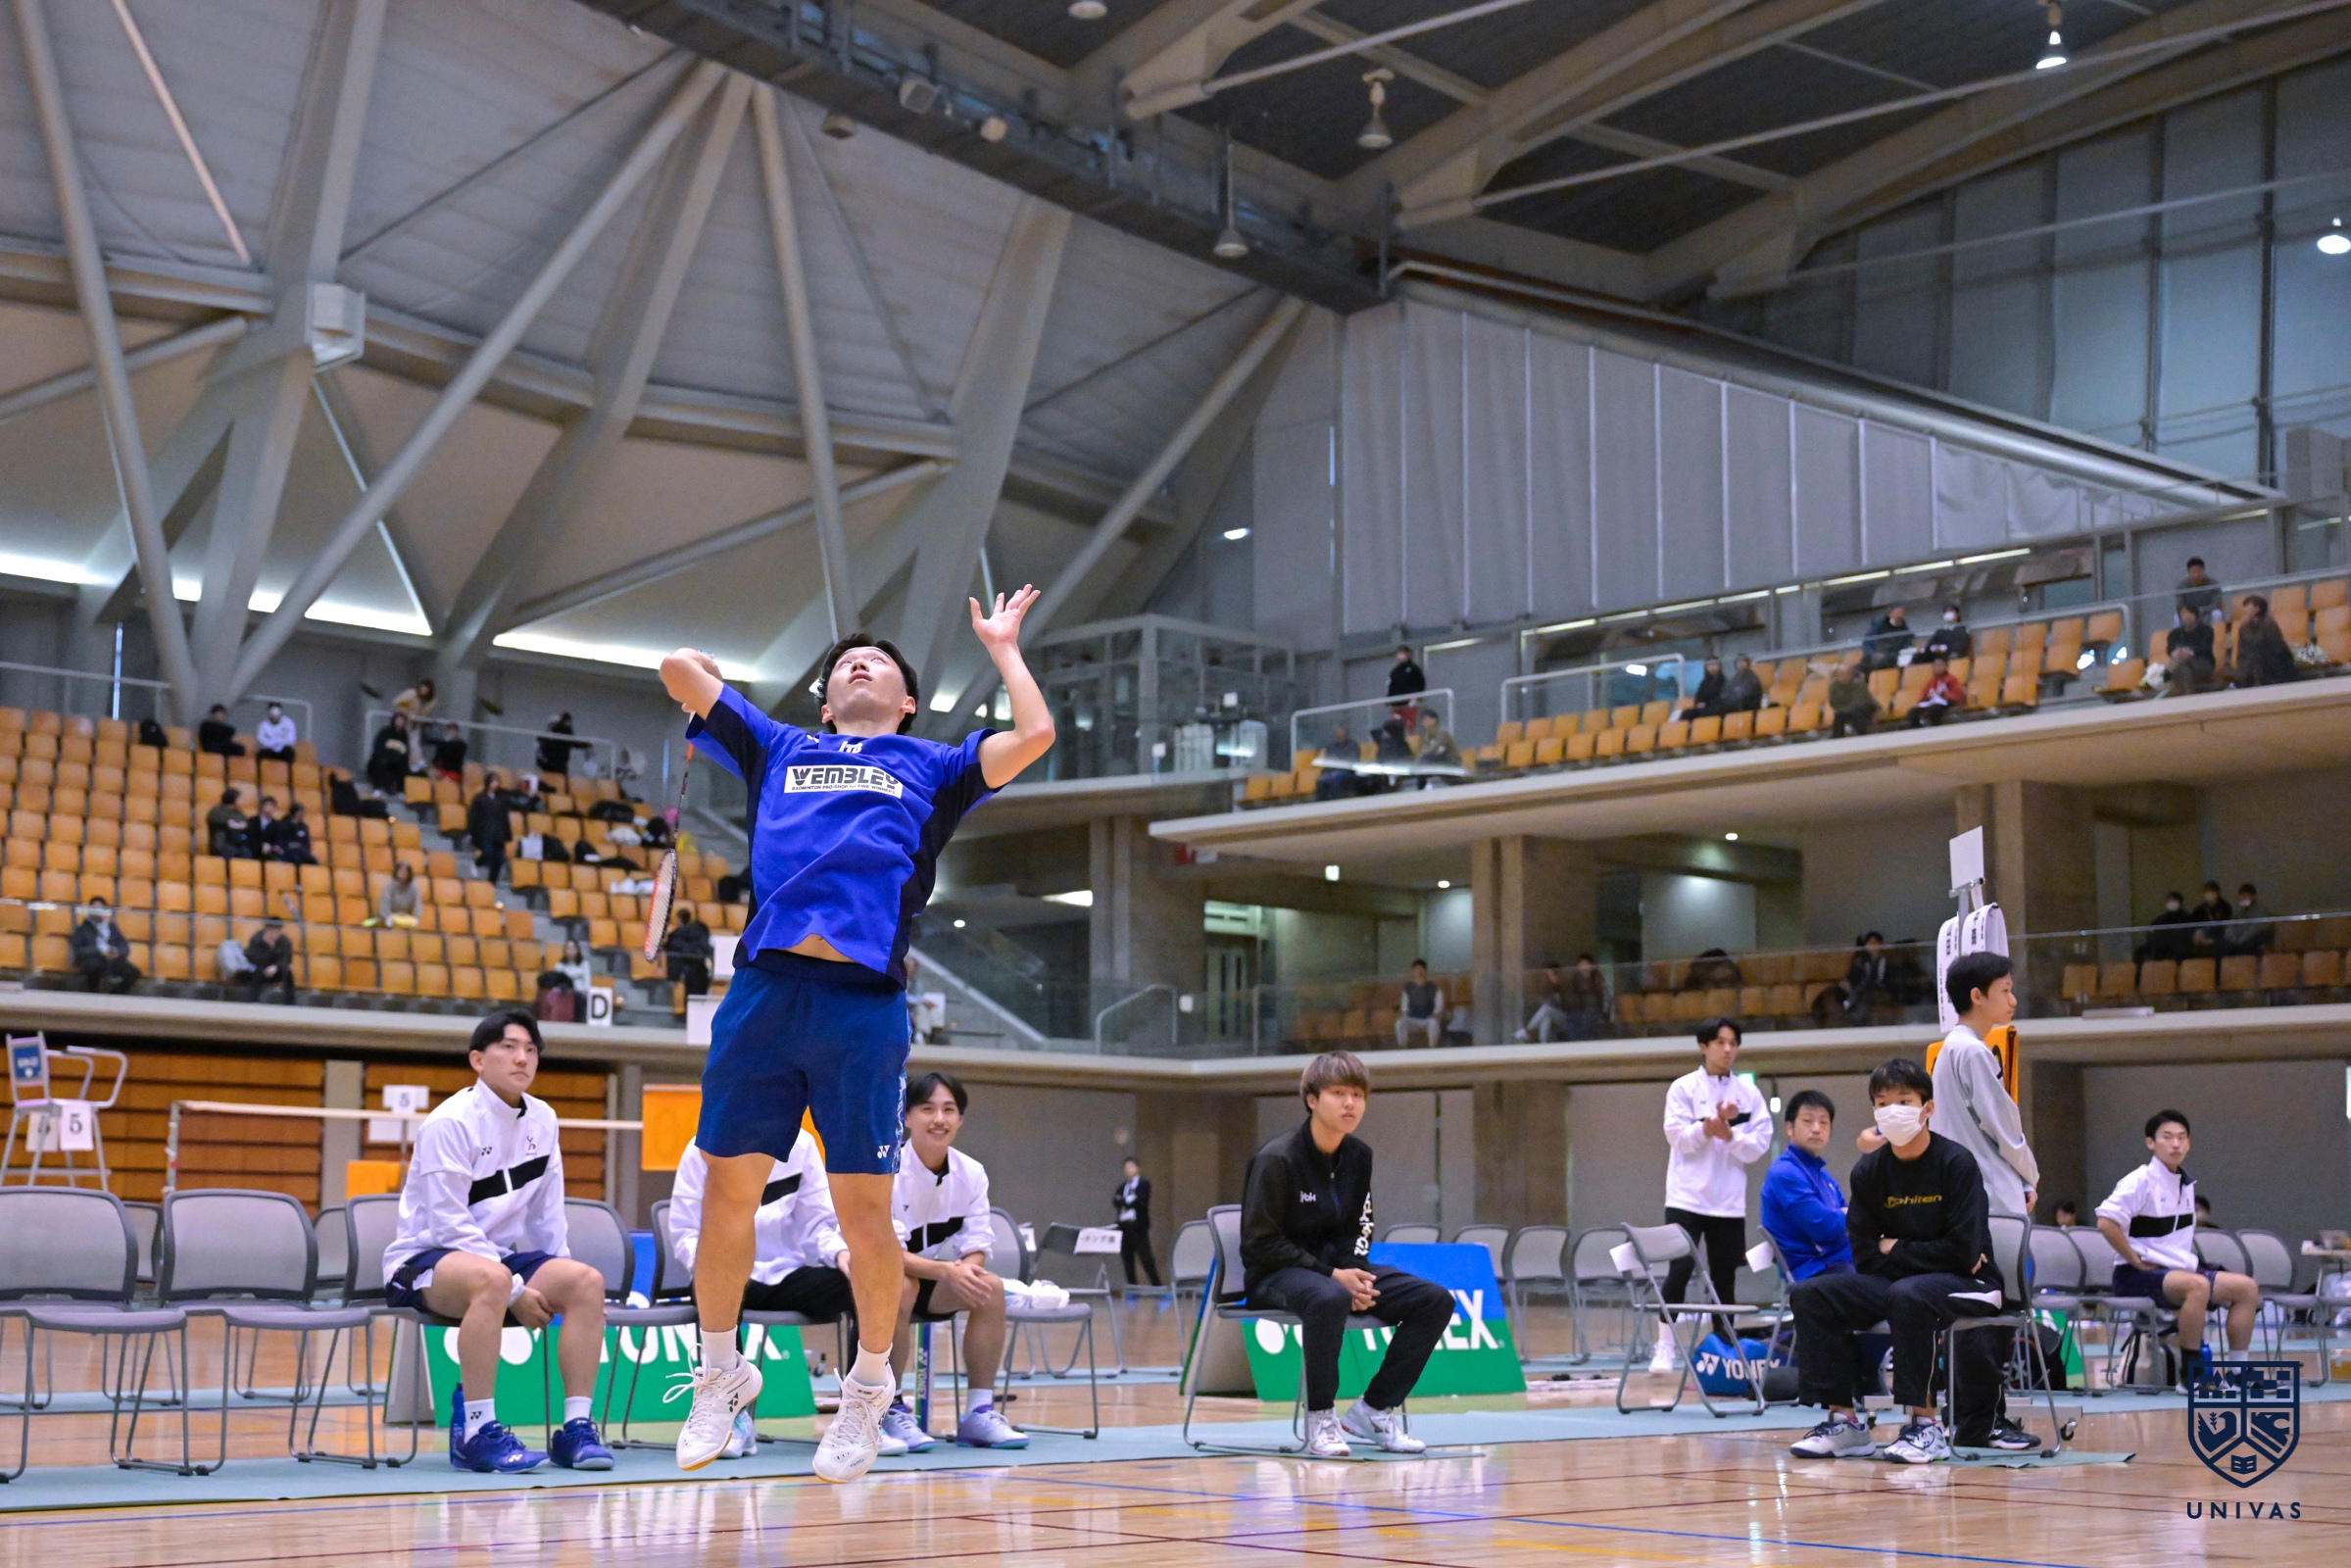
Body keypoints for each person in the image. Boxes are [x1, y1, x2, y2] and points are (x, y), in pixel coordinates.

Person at [654, 587, 1055, 1484]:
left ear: (906, 702)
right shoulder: (780, 746)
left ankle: (870, 1388)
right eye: (842, 664)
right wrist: (703, 676)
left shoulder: (936, 766)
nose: (857, 664)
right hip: (763, 993)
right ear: (827, 703)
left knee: (867, 1218)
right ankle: (719, 1373)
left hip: (861, 1006)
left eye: (876, 662)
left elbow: (1034, 735)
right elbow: (673, 670)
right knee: (725, 1197)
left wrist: (1002, 649)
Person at [381, 1009, 612, 1474]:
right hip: (423, 1260)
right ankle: (476, 1432)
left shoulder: (544, 1119)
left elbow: (548, 1214)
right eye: (509, 1047)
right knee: (492, 1280)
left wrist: (556, 1278)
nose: (522, 1058)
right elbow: (448, 1225)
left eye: (530, 1050)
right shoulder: (450, 1122)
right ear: (478, 1060)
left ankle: (576, 1429)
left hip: (497, 1260)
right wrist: (517, 1290)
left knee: (586, 1282)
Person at [1786, 1057, 2024, 1463]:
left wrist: (1893, 1248)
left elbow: (1965, 1253)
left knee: (1910, 1295)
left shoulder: (1956, 1164)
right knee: (1812, 1294)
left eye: (1904, 1101)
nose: (1892, 1110)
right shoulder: (1869, 1171)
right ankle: (1845, 1423)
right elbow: (1864, 1256)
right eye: (1882, 1103)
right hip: (1905, 1285)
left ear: (1927, 1108)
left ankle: (1924, 1425)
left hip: (1975, 1284)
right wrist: (1918, 1253)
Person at [1240, 1052, 1457, 1457]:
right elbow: (1260, 1243)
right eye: (1338, 1093)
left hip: (1337, 1272)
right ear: (1311, 1100)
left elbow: (1361, 1225)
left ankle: (1372, 1411)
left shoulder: (1359, 1156)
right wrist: (1332, 1276)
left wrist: (1353, 1273)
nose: (1350, 1104)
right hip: (1274, 1274)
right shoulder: (1277, 1159)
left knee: (1434, 1300)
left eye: (1358, 1095)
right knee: (1329, 1298)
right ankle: (1321, 1418)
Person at [669, 1130, 856, 1459]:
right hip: (730, 1272)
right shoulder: (704, 1146)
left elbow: (816, 1224)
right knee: (715, 1286)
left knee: (862, 1286)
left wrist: (840, 1254)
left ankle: (860, 1416)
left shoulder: (802, 1145)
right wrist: (711, 1266)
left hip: (789, 1274)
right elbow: (685, 1231)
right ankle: (731, 1415)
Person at [887, 1072, 1023, 1452]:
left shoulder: (971, 1172)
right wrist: (948, 1270)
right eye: (927, 1109)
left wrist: (966, 1269)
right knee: (901, 1286)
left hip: (935, 1277)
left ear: (960, 1119)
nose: (939, 1119)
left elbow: (978, 1241)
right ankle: (889, 1408)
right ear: (906, 1117)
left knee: (989, 1287)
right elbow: (886, 1253)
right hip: (881, 1278)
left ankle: (980, 1412)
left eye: (949, 1110)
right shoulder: (888, 1169)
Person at [2095, 1109, 2261, 1391]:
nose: (2175, 1144)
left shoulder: (2185, 1184)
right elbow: (2105, 1222)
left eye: (2181, 1138)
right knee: (2197, 1287)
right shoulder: (2139, 1181)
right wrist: (2134, 1260)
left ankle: (2237, 1373)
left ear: (2189, 1143)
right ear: (2151, 1143)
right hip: (2135, 1276)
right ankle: (2191, 1375)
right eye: (2167, 1137)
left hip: (2177, 1271)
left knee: (2246, 1288)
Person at [1655, 1018, 1770, 1368]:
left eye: (1733, 1043)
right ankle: (1664, 1346)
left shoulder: (1748, 1093)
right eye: (1720, 1042)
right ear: (1703, 1046)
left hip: (1728, 1202)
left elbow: (1759, 1144)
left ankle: (1725, 1350)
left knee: (1725, 1277)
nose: (1728, 1049)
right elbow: (1677, 1138)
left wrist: (1730, 1135)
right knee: (1680, 1270)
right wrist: (1707, 1127)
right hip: (1686, 1198)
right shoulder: (1683, 1088)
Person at [1760, 1090, 1851, 1281]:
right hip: (1814, 1270)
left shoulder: (1823, 1176)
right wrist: (1847, 1216)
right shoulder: (1784, 1173)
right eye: (1808, 1121)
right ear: (1790, 1128)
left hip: (1838, 1261)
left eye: (1824, 1122)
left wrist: (1847, 1216)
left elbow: (1850, 1219)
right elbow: (1824, 1227)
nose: (1816, 1128)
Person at [71, 899, 139, 993]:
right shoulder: (82, 929)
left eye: (100, 909)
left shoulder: (112, 928)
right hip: (93, 960)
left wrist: (116, 952)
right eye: (95, 909)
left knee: (133, 972)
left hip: (112, 961)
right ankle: (94, 993)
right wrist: (99, 951)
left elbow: (124, 946)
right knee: (94, 966)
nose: (98, 911)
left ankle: (116, 994)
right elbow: (79, 950)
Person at [1112, 1156, 1159, 1289]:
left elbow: (1140, 1201)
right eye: (1126, 1167)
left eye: (1131, 1166)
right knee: (1127, 1259)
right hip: (1124, 1227)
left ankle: (1157, 1287)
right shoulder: (1123, 1186)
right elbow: (1116, 1201)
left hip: (1138, 1227)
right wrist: (1126, 1200)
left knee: (1146, 1258)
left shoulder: (1143, 1184)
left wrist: (1126, 1201)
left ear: (1138, 1168)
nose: (1128, 1170)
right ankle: (1132, 1288)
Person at [2232, 595, 2298, 687]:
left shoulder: (2269, 624)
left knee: (2257, 661)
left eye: (2248, 606)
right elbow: (2242, 650)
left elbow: (2274, 647)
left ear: (2257, 609)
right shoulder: (2244, 627)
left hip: (2271, 660)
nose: (2245, 610)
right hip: (2251, 662)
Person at [467, 771, 515, 885]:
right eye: (493, 781)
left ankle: (492, 883)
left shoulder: (501, 799)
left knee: (499, 859)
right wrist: (470, 832)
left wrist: (507, 834)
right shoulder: (479, 798)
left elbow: (505, 818)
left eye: (497, 782)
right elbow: (473, 816)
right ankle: (477, 863)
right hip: (484, 832)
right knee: (489, 852)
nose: (495, 784)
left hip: (498, 833)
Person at [2163, 603, 2215, 695]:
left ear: (2195, 615)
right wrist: (2174, 653)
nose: (2187, 616)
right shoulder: (2174, 634)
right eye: (2184, 613)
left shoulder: (2206, 630)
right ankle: (2184, 694)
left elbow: (2205, 649)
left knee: (2180, 669)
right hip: (2181, 664)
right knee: (2182, 668)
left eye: (2190, 613)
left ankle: (2187, 696)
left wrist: (2190, 652)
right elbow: (2170, 648)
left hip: (2202, 662)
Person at [242, 917, 297, 1004]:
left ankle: (290, 1003)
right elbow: (252, 957)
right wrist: (268, 949)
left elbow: (286, 959)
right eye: (271, 932)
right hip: (260, 968)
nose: (273, 935)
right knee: (257, 971)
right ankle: (253, 1001)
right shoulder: (256, 939)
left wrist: (276, 967)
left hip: (276, 970)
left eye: (276, 932)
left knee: (288, 972)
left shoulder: (285, 942)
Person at [664, 905, 713, 998]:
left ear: (679, 919)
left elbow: (671, 947)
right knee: (700, 999)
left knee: (690, 999)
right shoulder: (701, 930)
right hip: (702, 970)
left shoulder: (677, 936)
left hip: (688, 972)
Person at [1843, 932, 1892, 1020]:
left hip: (1882, 992)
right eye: (1870, 943)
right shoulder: (1859, 962)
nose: (1872, 946)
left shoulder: (1886, 960)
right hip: (1865, 996)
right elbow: (1852, 979)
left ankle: (1851, 1001)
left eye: (1875, 943)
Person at [1396, 960, 1445, 1048]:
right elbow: (1404, 1007)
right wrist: (1403, 1015)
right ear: (1413, 972)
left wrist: (1435, 1014)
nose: (1419, 972)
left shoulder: (1434, 988)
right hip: (1412, 1018)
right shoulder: (1408, 988)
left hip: (1428, 1019)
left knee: (1433, 1023)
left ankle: (1432, 1048)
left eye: (1421, 969)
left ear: (1425, 971)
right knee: (1399, 1023)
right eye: (1416, 970)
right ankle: (1402, 1047)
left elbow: (1439, 1005)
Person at [1907, 656, 1967, 727]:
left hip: (1946, 703)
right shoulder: (1931, 681)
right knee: (1913, 712)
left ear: (1946, 666)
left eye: (1940, 665)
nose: (1938, 667)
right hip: (1932, 702)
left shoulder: (1951, 679)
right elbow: (1923, 694)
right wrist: (1927, 697)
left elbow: (1957, 694)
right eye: (1936, 665)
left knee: (1935, 709)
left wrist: (1943, 694)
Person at [2139, 890, 2197, 962]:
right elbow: (2152, 930)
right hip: (2163, 947)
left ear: (2180, 902)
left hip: (2181, 948)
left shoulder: (2187, 918)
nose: (2171, 903)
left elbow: (2190, 934)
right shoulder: (2161, 919)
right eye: (2169, 901)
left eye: (2174, 901)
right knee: (2140, 952)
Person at [1827, 657, 1878, 738]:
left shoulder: (1859, 684)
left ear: (1850, 674)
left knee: (1858, 713)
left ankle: (1861, 737)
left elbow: (1859, 702)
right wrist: (1842, 709)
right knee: (1839, 716)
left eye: (1846, 674)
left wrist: (1843, 707)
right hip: (1846, 709)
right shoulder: (1833, 686)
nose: (1844, 676)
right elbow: (1834, 703)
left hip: (1865, 707)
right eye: (1840, 674)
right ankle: (1837, 738)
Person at [367, 711, 416, 794]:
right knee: (379, 764)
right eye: (398, 720)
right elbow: (378, 747)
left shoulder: (404, 736)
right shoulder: (385, 732)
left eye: (402, 720)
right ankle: (377, 788)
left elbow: (405, 752)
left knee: (404, 768)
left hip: (397, 761)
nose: (399, 722)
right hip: (384, 758)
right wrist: (385, 756)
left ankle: (401, 791)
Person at [1412, 710, 1460, 786]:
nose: (1423, 722)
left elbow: (1434, 749)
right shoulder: (1427, 736)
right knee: (1424, 760)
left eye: (1425, 719)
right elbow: (1424, 751)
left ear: (1433, 720)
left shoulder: (1442, 734)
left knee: (1426, 759)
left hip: (1450, 762)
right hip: (1436, 761)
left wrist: (1424, 756)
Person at [2225, 883, 2275, 956]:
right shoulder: (2237, 910)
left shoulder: (2261, 910)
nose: (2243, 898)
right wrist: (2233, 938)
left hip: (2252, 939)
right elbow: (2230, 926)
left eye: (2246, 896)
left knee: (2250, 943)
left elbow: (2255, 929)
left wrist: (2241, 940)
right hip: (2237, 940)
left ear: (2253, 897)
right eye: (2242, 896)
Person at [1860, 605, 1914, 671]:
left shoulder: (1906, 633)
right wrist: (1872, 653)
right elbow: (1867, 642)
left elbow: (1904, 649)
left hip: (1891, 659)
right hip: (1873, 656)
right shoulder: (1879, 626)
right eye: (1897, 612)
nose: (1899, 615)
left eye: (1901, 613)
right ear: (1891, 613)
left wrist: (1887, 655)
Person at [1314, 725, 1360, 801]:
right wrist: (1328, 772)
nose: (1340, 735)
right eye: (1338, 733)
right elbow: (1328, 762)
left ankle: (1335, 801)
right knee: (1321, 780)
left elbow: (1352, 762)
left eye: (1341, 733)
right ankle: (1320, 803)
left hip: (1346, 772)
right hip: (1332, 772)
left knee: (1336, 779)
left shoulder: (1353, 746)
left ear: (1346, 733)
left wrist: (1338, 769)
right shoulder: (1331, 747)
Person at [2187, 881, 2231, 956]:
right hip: (2202, 940)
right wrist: (2198, 933)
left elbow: (2225, 926)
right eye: (2207, 893)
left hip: (2219, 939)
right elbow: (2194, 925)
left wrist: (2211, 939)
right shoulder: (2199, 909)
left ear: (2218, 893)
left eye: (2212, 892)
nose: (2209, 895)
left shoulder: (2225, 907)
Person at [205, 787, 250, 859]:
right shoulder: (217, 811)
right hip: (221, 844)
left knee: (246, 853)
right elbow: (217, 820)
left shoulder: (238, 813)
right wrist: (230, 824)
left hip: (237, 844)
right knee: (230, 852)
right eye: (240, 799)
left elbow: (245, 823)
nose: (242, 801)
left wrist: (242, 825)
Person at [264, 801, 314, 865]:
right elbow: (281, 840)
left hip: (301, 851)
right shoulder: (283, 825)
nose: (302, 814)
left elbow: (306, 842)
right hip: (288, 851)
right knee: (296, 859)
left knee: (313, 861)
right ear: (296, 813)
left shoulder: (304, 827)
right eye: (300, 812)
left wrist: (304, 850)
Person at [2176, 557, 2223, 623]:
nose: (2197, 574)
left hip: (2208, 613)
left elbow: (2217, 604)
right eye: (2194, 572)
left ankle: (2217, 629)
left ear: (2203, 571)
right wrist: (2190, 612)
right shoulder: (2182, 587)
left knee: (2217, 613)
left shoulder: (2213, 584)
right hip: (2190, 614)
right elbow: (2180, 605)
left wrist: (2203, 609)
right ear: (2188, 573)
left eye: (2199, 571)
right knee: (2176, 617)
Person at [376, 860, 421, 926]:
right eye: (400, 872)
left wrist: (415, 918)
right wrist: (387, 918)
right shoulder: (389, 886)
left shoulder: (413, 888)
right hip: (391, 918)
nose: (402, 874)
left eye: (405, 872)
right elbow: (384, 903)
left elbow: (417, 904)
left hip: (407, 919)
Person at [536, 710, 579, 776]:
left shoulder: (553, 732)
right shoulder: (564, 731)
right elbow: (573, 743)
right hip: (556, 762)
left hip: (551, 762)